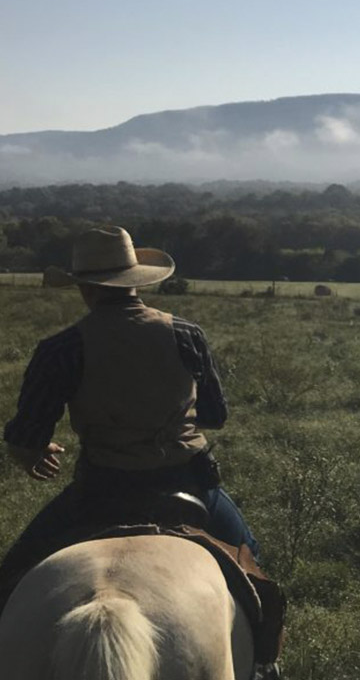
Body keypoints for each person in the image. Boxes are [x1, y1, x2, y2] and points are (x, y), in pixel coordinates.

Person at [0, 225, 281, 674]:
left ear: (84, 288)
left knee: (10, 576)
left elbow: (26, 438)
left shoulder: (60, 348)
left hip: (100, 490)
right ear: (136, 279)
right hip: (190, 484)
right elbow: (215, 414)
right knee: (257, 579)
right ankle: (266, 665)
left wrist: (37, 452)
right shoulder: (186, 333)